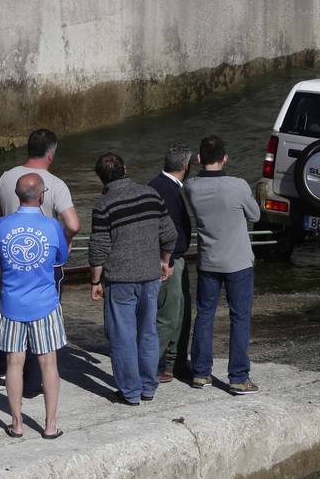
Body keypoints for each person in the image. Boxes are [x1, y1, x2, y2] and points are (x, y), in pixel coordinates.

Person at [0, 128, 80, 386]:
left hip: (12, 259)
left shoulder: (6, 178)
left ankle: (5, 368)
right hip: (43, 262)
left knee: (10, 313)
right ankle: (34, 378)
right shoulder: (55, 184)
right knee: (42, 319)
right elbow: (73, 224)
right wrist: (66, 243)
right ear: (51, 155)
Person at [88, 151, 176, 406]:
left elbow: (99, 247)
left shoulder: (103, 205)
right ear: (125, 168)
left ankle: (130, 392)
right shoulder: (151, 194)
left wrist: (95, 282)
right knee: (148, 332)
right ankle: (149, 387)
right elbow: (170, 233)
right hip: (150, 276)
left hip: (120, 280)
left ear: (101, 179)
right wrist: (164, 260)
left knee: (123, 336)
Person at [0, 172, 69, 439]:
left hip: (12, 302)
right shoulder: (52, 227)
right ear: (42, 195)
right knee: (49, 363)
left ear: (17, 195)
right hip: (44, 303)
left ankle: (17, 424)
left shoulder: (1, 225)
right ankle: (50, 425)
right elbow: (61, 258)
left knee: (14, 363)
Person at [185, 135, 261, 395]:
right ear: (225, 158)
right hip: (238, 261)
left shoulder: (191, 187)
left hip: (208, 261)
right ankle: (238, 377)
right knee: (240, 318)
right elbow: (256, 214)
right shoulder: (238, 185)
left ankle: (201, 373)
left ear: (198, 159)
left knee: (205, 315)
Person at [151, 143, 194, 383]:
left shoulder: (157, 185)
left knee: (173, 313)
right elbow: (166, 230)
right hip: (170, 260)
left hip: (170, 258)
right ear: (185, 167)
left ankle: (170, 362)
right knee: (170, 316)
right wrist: (166, 260)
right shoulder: (168, 190)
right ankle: (157, 364)